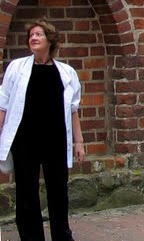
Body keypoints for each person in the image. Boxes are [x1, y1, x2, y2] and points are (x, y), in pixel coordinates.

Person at [0, 21, 85, 241]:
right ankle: (31, 237)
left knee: (58, 191)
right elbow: (3, 104)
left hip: (55, 140)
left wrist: (79, 142)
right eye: (30, 35)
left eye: (39, 34)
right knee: (26, 192)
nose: (33, 38)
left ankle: (62, 235)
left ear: (50, 39)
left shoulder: (67, 73)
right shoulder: (16, 68)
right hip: (25, 141)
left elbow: (73, 110)